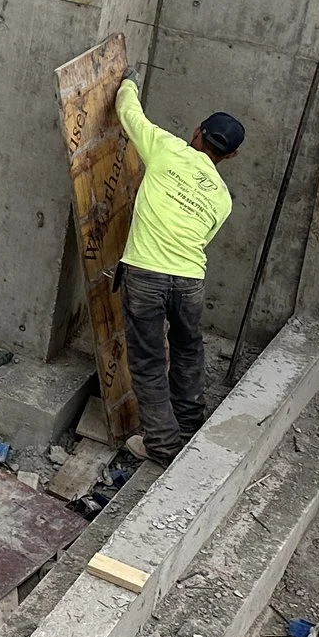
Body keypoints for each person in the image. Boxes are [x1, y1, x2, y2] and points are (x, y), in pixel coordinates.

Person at [113, 79, 244, 463]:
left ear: (196, 132)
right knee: (188, 351)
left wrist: (128, 81)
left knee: (149, 361)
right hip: (190, 281)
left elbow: (128, 112)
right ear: (231, 156)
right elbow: (202, 240)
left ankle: (163, 446)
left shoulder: (167, 149)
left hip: (146, 276)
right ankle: (188, 425)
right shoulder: (222, 198)